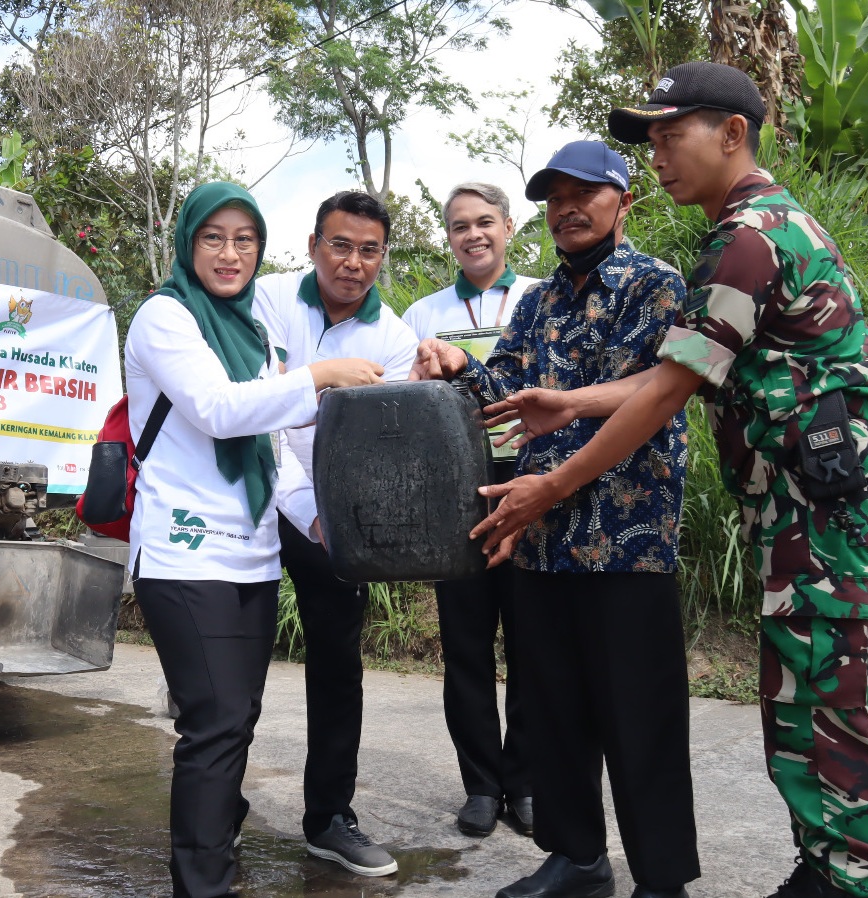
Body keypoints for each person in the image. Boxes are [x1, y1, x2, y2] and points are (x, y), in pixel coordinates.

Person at [480, 63, 868, 898]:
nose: (659, 156)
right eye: (652, 142)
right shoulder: (756, 228)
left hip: (819, 514)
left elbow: (667, 391)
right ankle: (824, 873)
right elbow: (680, 371)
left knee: (829, 707)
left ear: (732, 134)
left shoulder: (744, 240)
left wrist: (549, 487)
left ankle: (845, 879)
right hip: (808, 508)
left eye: (671, 136)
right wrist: (567, 404)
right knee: (806, 704)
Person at [413, 141, 699, 898]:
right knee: (554, 712)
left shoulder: (655, 284)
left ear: (623, 202)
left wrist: (567, 413)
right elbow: (504, 385)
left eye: (585, 194)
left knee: (639, 718)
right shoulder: (537, 302)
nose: (567, 209)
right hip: (541, 539)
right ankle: (577, 859)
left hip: (626, 540)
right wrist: (459, 366)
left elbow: (664, 386)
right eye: (555, 198)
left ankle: (661, 879)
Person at [124, 181, 384, 898]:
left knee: (234, 719)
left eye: (245, 240)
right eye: (214, 237)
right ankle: (202, 883)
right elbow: (218, 409)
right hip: (185, 553)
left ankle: (212, 854)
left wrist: (318, 521)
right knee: (213, 725)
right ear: (189, 242)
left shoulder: (255, 336)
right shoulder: (165, 317)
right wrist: (317, 376)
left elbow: (274, 450)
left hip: (251, 556)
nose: (230, 253)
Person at [252, 190, 419, 877]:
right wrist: (304, 505)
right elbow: (259, 415)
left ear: (383, 256)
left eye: (368, 250)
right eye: (340, 245)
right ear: (313, 246)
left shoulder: (394, 340)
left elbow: (380, 449)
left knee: (338, 665)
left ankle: (328, 817)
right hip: (254, 498)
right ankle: (215, 807)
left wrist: (332, 519)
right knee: (237, 658)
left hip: (334, 517)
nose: (353, 262)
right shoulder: (266, 299)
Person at [399, 182, 538, 839]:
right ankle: (481, 786)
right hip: (453, 492)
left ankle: (526, 781)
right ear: (448, 237)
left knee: (534, 644)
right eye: (459, 226)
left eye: (485, 221)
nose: (473, 234)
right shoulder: (422, 313)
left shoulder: (540, 297)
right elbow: (407, 401)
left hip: (531, 485)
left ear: (508, 227)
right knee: (465, 645)